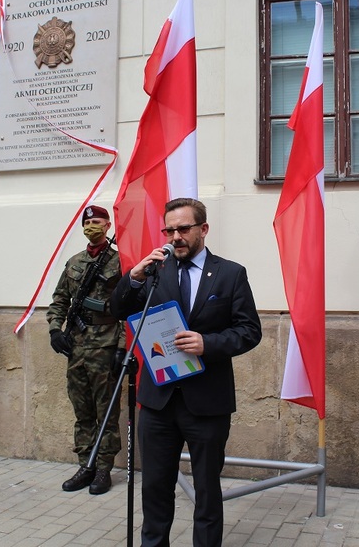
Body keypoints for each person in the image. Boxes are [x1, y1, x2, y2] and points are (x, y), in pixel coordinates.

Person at [110, 198, 262, 547]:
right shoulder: (154, 271)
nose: (175, 236)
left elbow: (249, 331)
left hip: (207, 403)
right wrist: (132, 279)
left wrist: (207, 343)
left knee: (207, 491)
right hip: (159, 401)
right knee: (155, 489)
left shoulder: (230, 274)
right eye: (169, 230)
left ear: (203, 230)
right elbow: (118, 309)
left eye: (183, 229)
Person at [47, 205, 125, 495]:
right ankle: (85, 464)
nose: (92, 226)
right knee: (82, 410)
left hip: (105, 345)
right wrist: (55, 329)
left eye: (97, 221)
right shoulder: (74, 262)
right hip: (77, 346)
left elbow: (129, 308)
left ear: (108, 225)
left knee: (106, 411)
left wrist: (122, 346)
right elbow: (59, 300)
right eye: (88, 222)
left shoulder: (119, 262)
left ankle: (103, 468)